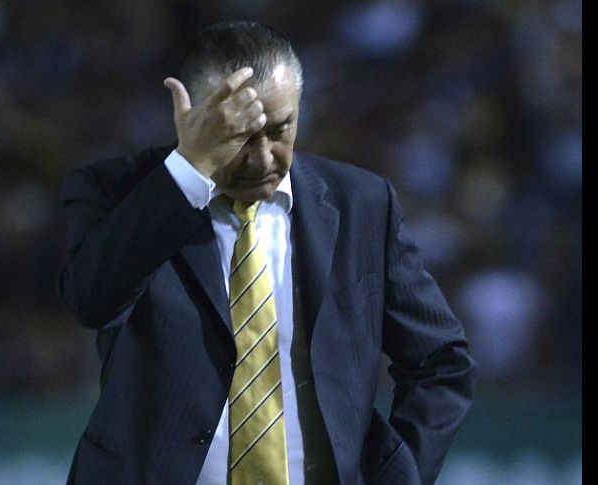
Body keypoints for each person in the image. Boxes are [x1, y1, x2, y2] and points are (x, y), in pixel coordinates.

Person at [58, 20, 476, 485]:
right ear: (191, 118)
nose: (263, 157)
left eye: (280, 129)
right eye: (239, 135)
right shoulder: (114, 192)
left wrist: (396, 477)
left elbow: (440, 360)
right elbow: (91, 301)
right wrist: (188, 172)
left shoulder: (361, 204)